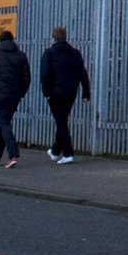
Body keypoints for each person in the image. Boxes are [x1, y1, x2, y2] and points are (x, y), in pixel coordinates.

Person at [0, 28, 32, 165]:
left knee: (4, 123)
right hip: (14, 96)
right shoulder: (21, 56)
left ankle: (13, 155)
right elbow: (27, 77)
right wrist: (21, 93)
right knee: (5, 124)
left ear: (0, 40)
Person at [40, 26, 86, 161]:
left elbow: (45, 74)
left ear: (53, 39)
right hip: (71, 92)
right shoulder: (75, 53)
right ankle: (55, 151)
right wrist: (86, 91)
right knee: (62, 120)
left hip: (55, 93)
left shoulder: (49, 53)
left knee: (61, 122)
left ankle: (68, 153)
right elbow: (82, 73)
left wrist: (46, 92)